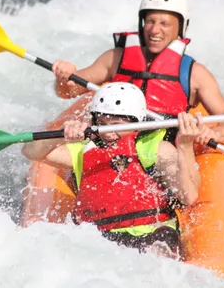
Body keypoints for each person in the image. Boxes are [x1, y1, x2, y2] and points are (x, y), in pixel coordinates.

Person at [22, 82, 205, 258]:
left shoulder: (156, 149)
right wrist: (61, 134)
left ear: (136, 122)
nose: (108, 133)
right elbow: (30, 152)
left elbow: (188, 196)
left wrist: (184, 145)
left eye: (117, 125)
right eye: (102, 123)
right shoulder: (84, 151)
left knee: (159, 249)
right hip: (99, 240)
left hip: (153, 233)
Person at [52, 0, 224, 144]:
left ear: (179, 29)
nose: (155, 30)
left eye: (164, 24)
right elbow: (67, 92)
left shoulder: (194, 73)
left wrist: (214, 134)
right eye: (150, 21)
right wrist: (64, 77)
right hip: (110, 140)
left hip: (161, 149)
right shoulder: (115, 58)